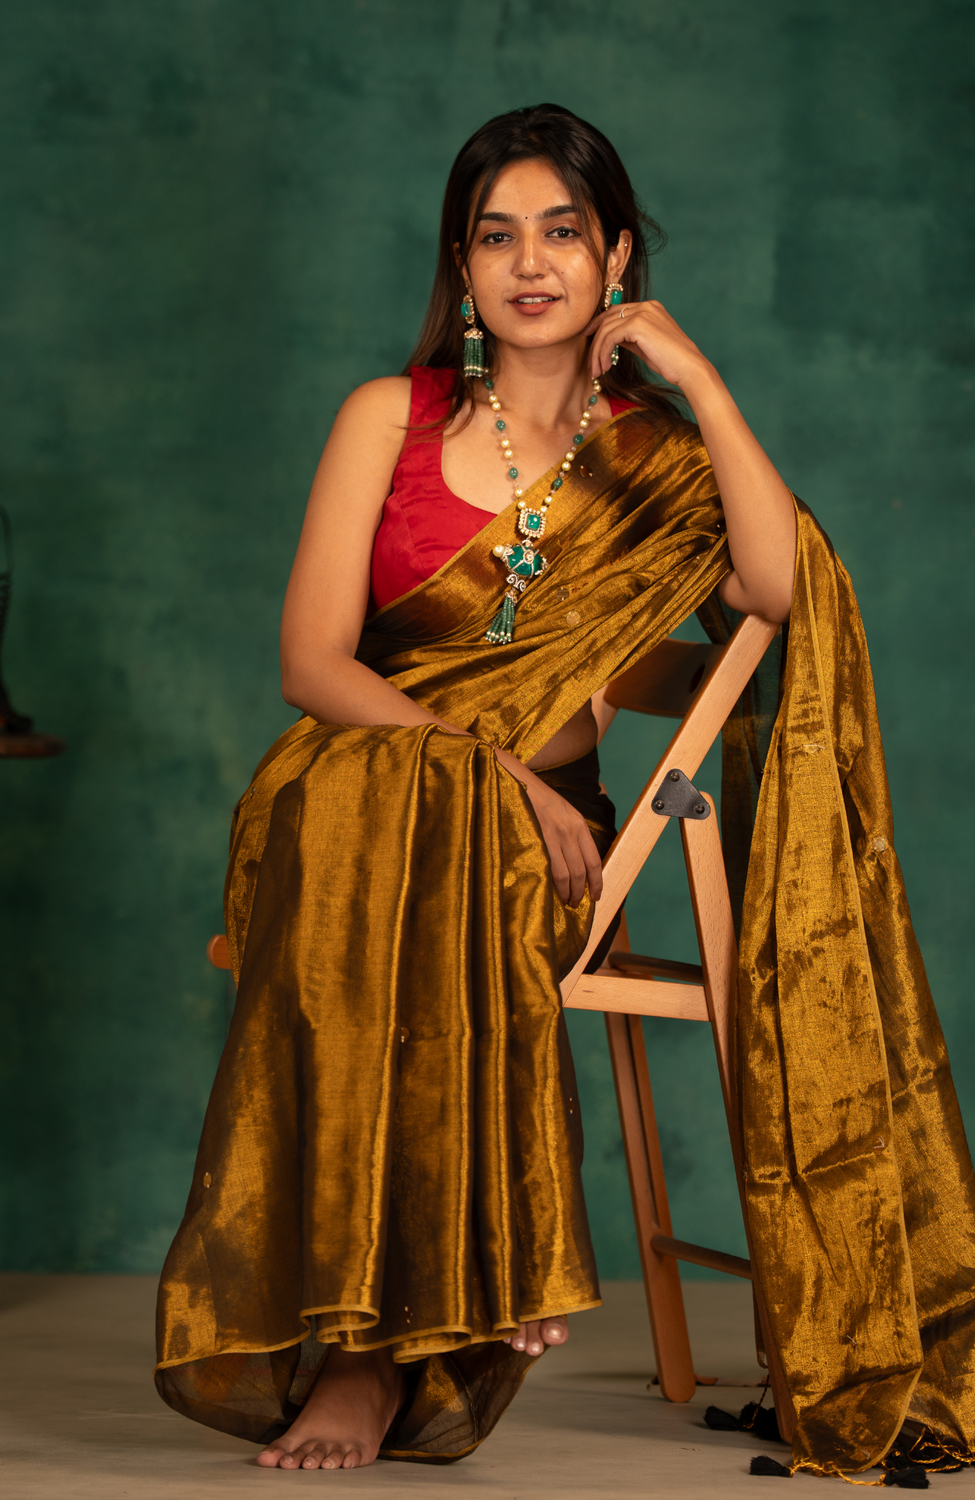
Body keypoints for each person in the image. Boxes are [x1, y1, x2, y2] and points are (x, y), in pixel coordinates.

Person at [155, 105, 975, 1480]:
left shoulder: (658, 458)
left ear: (616, 257)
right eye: (495, 236)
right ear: (461, 266)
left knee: (432, 843)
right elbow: (311, 661)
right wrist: (484, 767)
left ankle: (389, 1343)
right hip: (370, 796)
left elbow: (781, 589)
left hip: (543, 842)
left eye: (562, 232)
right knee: (383, 817)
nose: (529, 263)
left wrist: (702, 383)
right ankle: (412, 1318)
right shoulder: (386, 417)